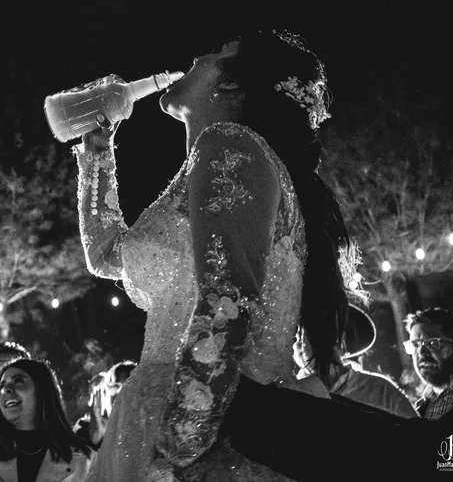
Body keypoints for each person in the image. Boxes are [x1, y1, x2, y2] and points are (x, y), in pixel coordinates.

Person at [74, 30, 360, 480]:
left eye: (219, 52)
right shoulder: (212, 161)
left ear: (230, 86)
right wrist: (96, 151)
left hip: (213, 429)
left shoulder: (231, 144)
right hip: (164, 413)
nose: (197, 54)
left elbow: (227, 301)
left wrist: (179, 446)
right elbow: (107, 256)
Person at [293, 305, 417, 418]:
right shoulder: (289, 392)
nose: (303, 340)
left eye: (316, 329)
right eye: (297, 334)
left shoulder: (382, 392)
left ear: (341, 340)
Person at [74, 360, 136, 448]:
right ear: (103, 393)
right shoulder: (83, 428)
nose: (120, 393)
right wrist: (95, 440)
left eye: (129, 388)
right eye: (116, 386)